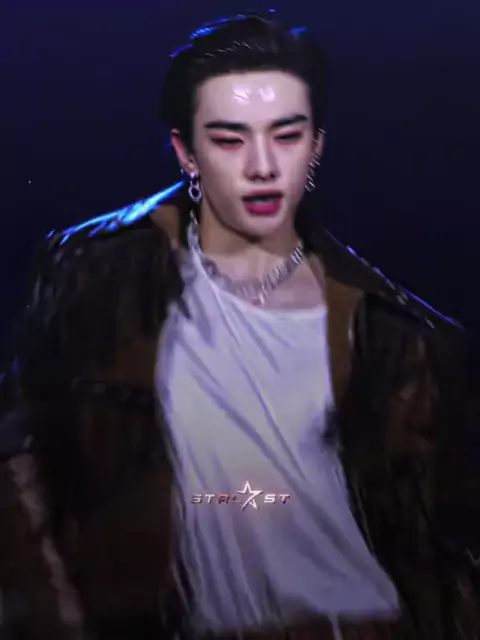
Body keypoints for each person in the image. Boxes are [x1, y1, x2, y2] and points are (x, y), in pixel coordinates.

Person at [0, 11, 478, 640]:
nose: (262, 166)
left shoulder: (395, 333)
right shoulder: (99, 283)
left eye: (287, 135)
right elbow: (21, 470)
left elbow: (442, 540)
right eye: (230, 139)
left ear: (316, 146)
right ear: (186, 153)